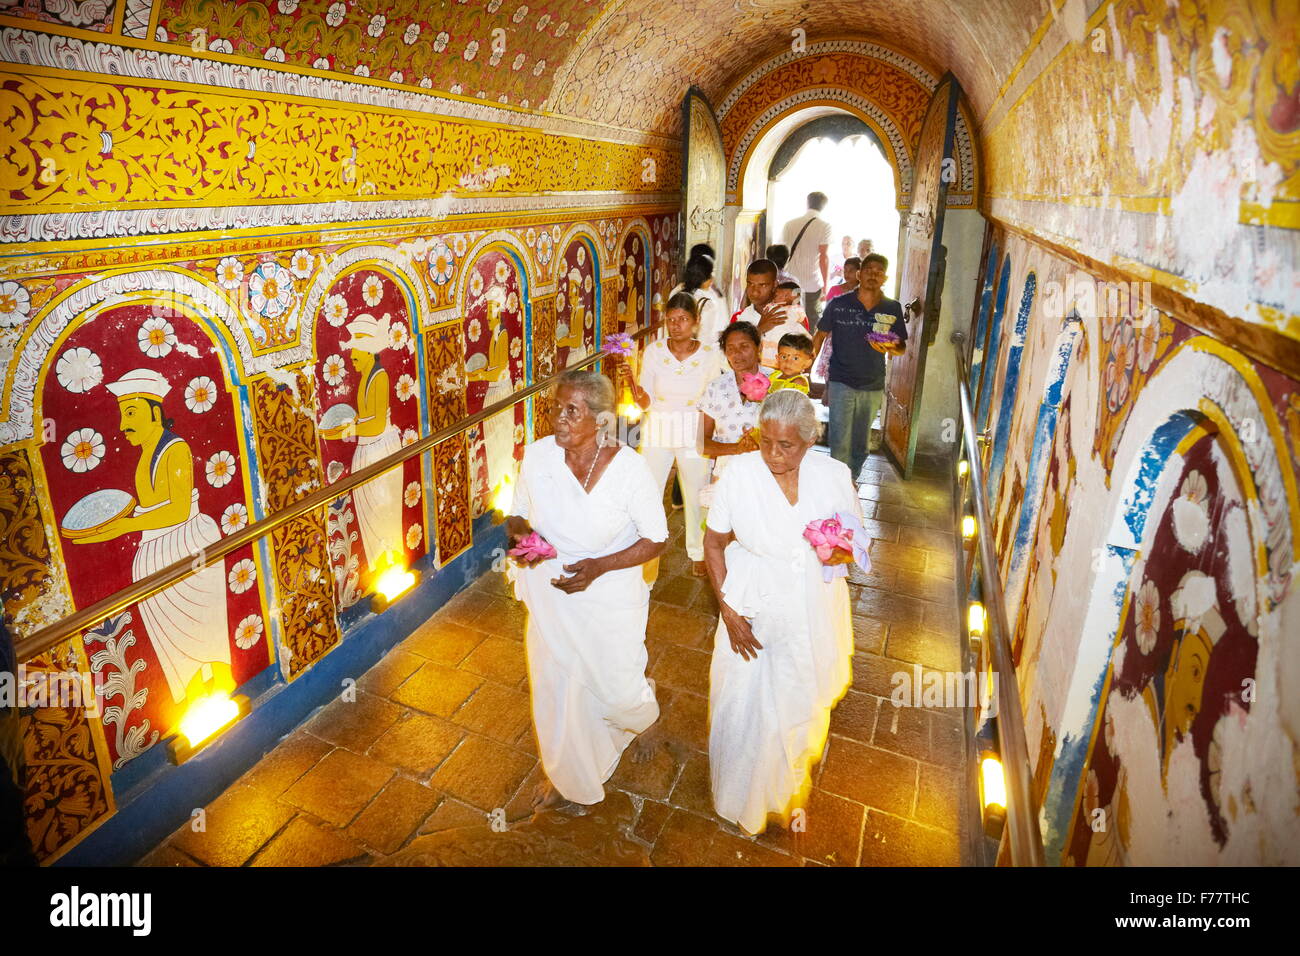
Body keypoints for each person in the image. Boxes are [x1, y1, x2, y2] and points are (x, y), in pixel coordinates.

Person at [506, 370, 669, 808]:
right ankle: (567, 776)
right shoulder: (539, 456)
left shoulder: (630, 469)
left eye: (571, 411)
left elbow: (656, 538)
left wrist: (599, 567)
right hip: (551, 591)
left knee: (616, 686)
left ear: (601, 421)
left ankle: (643, 717)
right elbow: (516, 514)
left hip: (608, 591)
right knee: (558, 687)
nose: (558, 419)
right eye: (556, 408)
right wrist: (524, 539)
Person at [703, 389, 859, 834]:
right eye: (766, 440)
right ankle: (742, 796)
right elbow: (714, 545)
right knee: (744, 699)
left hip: (810, 600)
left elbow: (851, 545)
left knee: (798, 696)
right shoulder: (739, 473)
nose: (772, 453)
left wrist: (836, 551)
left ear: (810, 440)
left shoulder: (833, 475)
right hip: (751, 599)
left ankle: (787, 787)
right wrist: (729, 611)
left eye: (786, 445)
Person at [69, 368, 231, 706]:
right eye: (121, 414)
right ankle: (194, 696)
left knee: (203, 632)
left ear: (155, 413)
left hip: (187, 542)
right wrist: (123, 524)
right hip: (157, 547)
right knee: (173, 641)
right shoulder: (148, 452)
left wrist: (123, 526)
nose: (123, 425)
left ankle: (216, 684)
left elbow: (177, 509)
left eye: (131, 413)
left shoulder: (175, 450)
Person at [629, 292, 722, 577]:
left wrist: (708, 437)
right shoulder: (655, 351)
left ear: (695, 322)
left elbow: (714, 397)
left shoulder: (709, 355)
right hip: (658, 426)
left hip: (693, 428)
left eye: (683, 319)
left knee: (696, 493)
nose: (676, 325)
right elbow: (646, 400)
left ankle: (698, 550)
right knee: (649, 489)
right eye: (671, 320)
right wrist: (633, 389)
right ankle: (646, 545)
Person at [812, 253, 907, 481]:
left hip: (872, 382)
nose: (873, 275)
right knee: (839, 439)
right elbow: (820, 335)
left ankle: (852, 478)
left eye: (879, 272)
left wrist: (891, 346)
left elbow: (901, 346)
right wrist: (808, 366)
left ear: (885, 278)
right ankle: (840, 484)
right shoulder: (839, 303)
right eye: (868, 270)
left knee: (861, 443)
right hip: (841, 379)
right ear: (859, 274)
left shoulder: (891, 307)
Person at [698, 321, 766, 506]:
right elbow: (701, 444)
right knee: (723, 531)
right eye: (730, 348)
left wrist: (760, 443)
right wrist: (737, 449)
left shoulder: (776, 383)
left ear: (759, 347)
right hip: (726, 474)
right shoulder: (716, 387)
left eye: (744, 346)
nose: (736, 354)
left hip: (768, 474)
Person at [781, 192, 833, 323]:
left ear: (807, 203)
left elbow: (782, 251)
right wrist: (826, 285)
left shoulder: (789, 224)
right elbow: (823, 257)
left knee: (789, 320)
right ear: (824, 207)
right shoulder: (825, 227)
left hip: (790, 282)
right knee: (811, 321)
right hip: (812, 284)